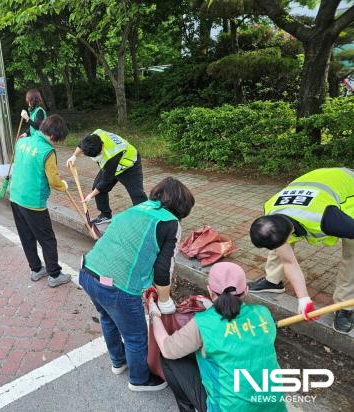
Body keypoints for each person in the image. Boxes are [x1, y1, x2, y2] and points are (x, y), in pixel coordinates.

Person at [79, 177, 195, 392]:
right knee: (135, 336)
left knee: (107, 318)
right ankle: (139, 379)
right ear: (182, 206)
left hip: (88, 272)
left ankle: (118, 361)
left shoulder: (138, 208)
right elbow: (163, 268)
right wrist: (165, 300)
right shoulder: (170, 223)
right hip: (117, 287)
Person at [150, 262, 286, 412]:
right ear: (246, 290)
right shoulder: (263, 314)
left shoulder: (204, 322)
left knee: (169, 357)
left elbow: (167, 348)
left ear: (210, 290)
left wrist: (154, 313)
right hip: (274, 407)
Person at [248, 167, 354, 334]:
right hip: (319, 182)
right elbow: (288, 261)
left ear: (291, 233)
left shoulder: (330, 219)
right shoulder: (271, 209)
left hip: (348, 188)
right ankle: (273, 281)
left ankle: (345, 305)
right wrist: (303, 299)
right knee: (274, 238)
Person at [9, 114, 71, 288]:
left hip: (15, 197)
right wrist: (63, 185)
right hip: (33, 202)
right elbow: (54, 180)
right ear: (52, 135)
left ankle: (36, 270)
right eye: (57, 140)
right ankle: (54, 274)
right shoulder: (47, 151)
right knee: (47, 239)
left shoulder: (22, 141)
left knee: (26, 236)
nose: (56, 143)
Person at [66, 130, 147, 225]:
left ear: (102, 147)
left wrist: (90, 196)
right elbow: (82, 144)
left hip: (129, 166)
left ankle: (145, 218)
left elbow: (105, 182)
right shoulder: (94, 137)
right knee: (96, 186)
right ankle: (105, 215)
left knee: (137, 193)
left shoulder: (111, 155)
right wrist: (74, 156)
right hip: (111, 166)